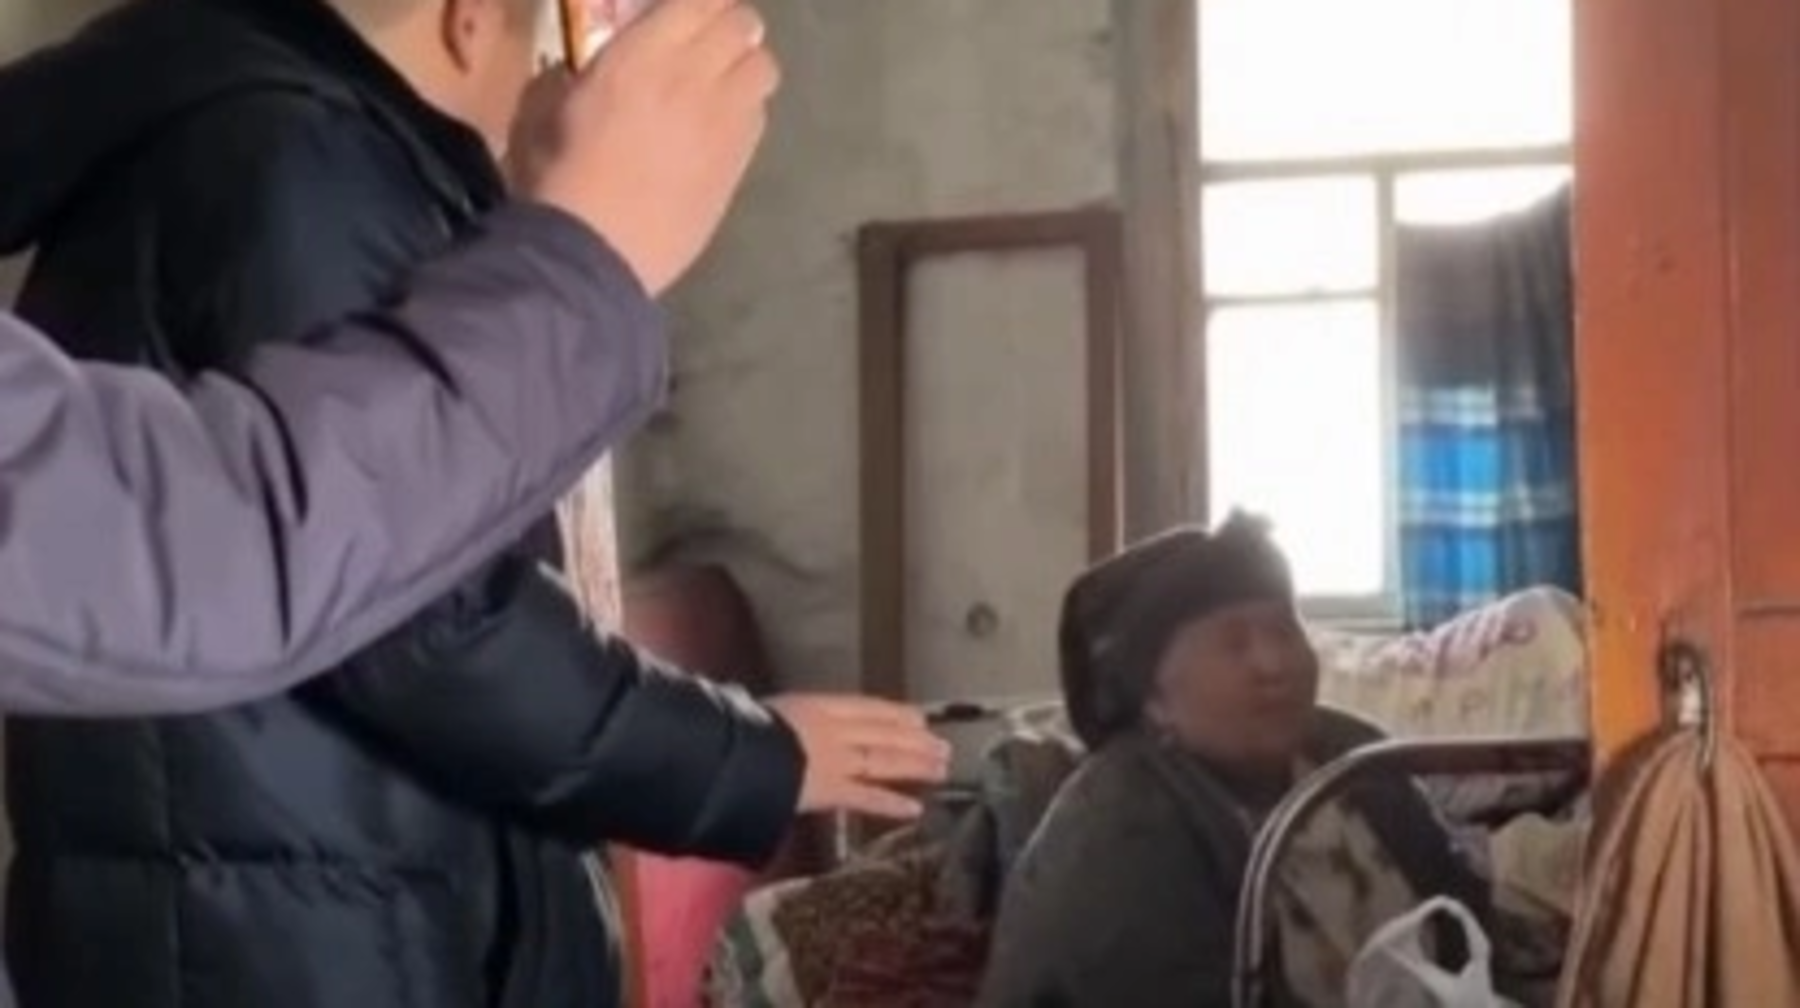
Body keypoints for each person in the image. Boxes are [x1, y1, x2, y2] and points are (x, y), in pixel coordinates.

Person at [0, 3, 948, 1008]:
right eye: (550, 46)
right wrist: (746, 758)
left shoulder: (247, 130)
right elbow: (426, 621)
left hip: (281, 893)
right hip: (298, 930)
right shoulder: (300, 156)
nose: (557, 85)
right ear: (469, 21)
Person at [977, 514, 1488, 1008]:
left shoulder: (1353, 761)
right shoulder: (1117, 827)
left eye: (1284, 631)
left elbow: (1467, 928)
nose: (1274, 663)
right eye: (1234, 644)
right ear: (1153, 698)